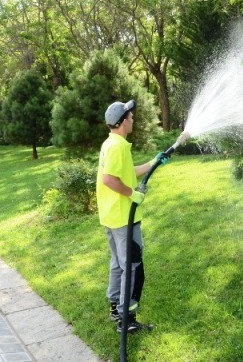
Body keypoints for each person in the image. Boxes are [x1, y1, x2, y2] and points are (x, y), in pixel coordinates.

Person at [96, 99, 169, 333]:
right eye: (130, 116)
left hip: (112, 216)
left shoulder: (112, 143)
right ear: (122, 122)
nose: (133, 118)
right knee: (133, 267)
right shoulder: (117, 147)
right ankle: (126, 318)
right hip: (123, 217)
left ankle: (115, 308)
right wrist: (131, 193)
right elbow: (109, 179)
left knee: (118, 265)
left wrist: (153, 162)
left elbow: (127, 172)